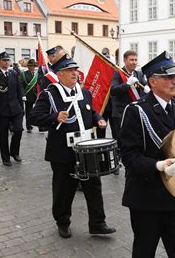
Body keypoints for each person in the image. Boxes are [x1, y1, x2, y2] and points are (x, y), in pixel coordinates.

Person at [120, 51, 175, 258]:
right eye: (168, 77)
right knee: (144, 255)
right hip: (148, 198)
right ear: (152, 81)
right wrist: (158, 166)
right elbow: (128, 156)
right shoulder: (136, 111)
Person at [29, 56, 116, 238]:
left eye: (75, 70)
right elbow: (34, 117)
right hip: (63, 151)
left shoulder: (84, 93)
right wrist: (53, 117)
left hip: (86, 149)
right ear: (60, 74)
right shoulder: (49, 94)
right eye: (70, 71)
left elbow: (90, 111)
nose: (75, 73)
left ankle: (98, 223)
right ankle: (62, 222)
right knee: (64, 189)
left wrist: (98, 118)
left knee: (94, 187)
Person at [0, 52, 24, 166]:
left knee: (18, 130)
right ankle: (5, 158)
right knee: (3, 136)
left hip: (15, 109)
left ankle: (14, 152)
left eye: (8, 60)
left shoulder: (13, 73)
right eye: (4, 60)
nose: (6, 62)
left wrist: (21, 107)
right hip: (2, 110)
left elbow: (19, 90)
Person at [110, 50, 149, 144]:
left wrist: (147, 88)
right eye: (131, 60)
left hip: (134, 112)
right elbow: (113, 90)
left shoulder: (138, 74)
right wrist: (127, 84)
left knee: (134, 138)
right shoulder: (118, 73)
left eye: (136, 60)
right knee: (121, 140)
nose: (134, 62)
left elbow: (144, 85)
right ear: (125, 60)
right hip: (121, 113)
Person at [20, 59, 39, 133]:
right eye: (31, 66)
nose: (32, 67)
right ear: (28, 66)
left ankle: (41, 126)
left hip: (37, 95)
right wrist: (23, 94)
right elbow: (21, 85)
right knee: (29, 111)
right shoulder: (24, 74)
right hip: (29, 95)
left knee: (39, 111)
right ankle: (29, 126)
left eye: (34, 66)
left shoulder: (38, 73)